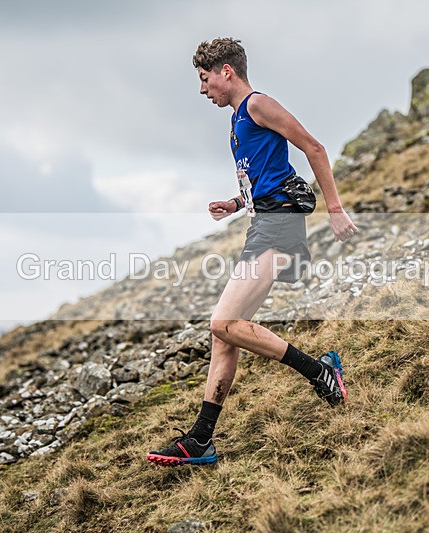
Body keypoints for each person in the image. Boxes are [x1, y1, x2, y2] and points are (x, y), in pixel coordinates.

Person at [146, 37, 358, 467]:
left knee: (223, 322)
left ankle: (319, 372)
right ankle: (201, 439)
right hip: (263, 223)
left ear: (226, 72)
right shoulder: (238, 119)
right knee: (223, 332)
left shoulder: (258, 104)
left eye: (205, 79)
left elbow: (313, 148)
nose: (202, 90)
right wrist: (236, 202)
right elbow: (267, 174)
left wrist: (335, 209)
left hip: (279, 226)